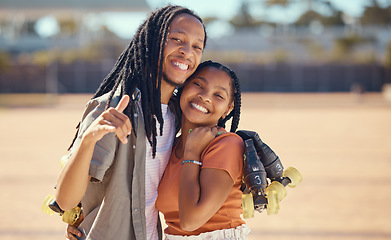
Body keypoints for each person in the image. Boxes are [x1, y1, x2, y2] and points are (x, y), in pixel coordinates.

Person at [56, 5, 207, 240]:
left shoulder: (179, 115)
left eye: (197, 46)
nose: (187, 51)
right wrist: (87, 141)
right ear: (151, 41)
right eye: (176, 39)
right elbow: (66, 201)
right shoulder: (115, 110)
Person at [156, 60, 250, 239]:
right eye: (198, 84)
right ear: (183, 87)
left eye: (219, 96)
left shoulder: (227, 145)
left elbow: (191, 221)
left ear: (227, 109)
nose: (205, 97)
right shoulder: (169, 146)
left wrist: (192, 153)